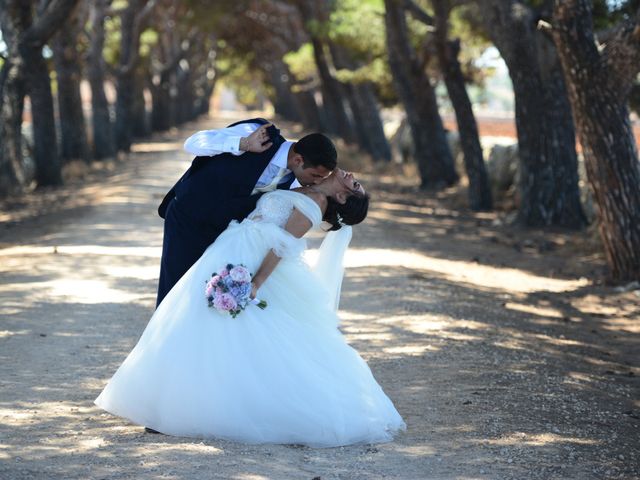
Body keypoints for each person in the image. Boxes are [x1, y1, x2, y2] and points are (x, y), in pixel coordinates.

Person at [95, 170, 406, 447]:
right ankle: (177, 401)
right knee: (197, 321)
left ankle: (200, 405)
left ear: (341, 196)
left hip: (250, 261)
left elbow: (281, 247)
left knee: (228, 328)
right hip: (232, 246)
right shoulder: (308, 188)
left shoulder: (313, 206)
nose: (352, 176)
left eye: (356, 185)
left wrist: (254, 283)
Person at [156, 118, 337, 306]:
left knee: (206, 296)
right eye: (315, 175)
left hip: (222, 235)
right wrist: (244, 144)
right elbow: (193, 143)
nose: (316, 182)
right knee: (174, 290)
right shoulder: (257, 132)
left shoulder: (294, 182)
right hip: (188, 218)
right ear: (298, 160)